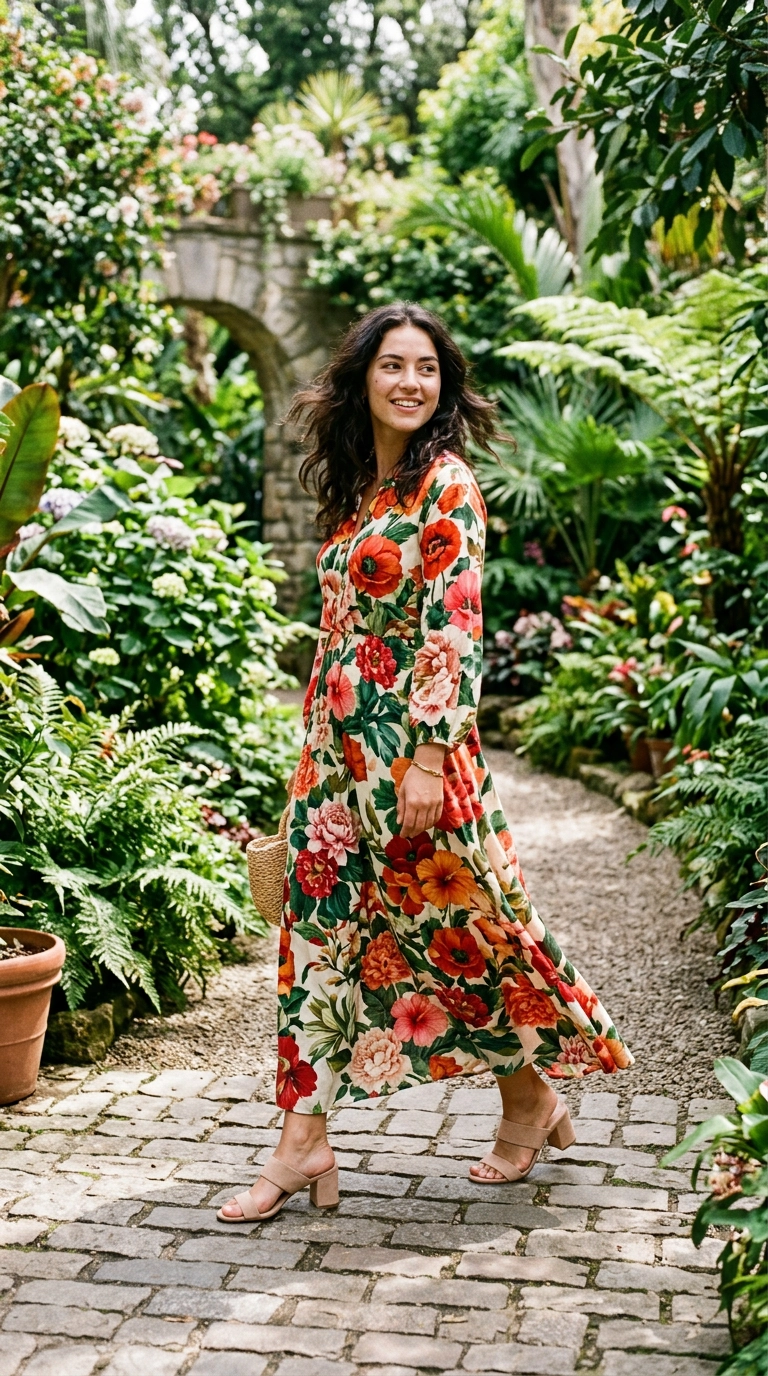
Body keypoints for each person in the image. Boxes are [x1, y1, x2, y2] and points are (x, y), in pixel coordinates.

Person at [218, 302, 632, 1223]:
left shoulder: (446, 486)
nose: (411, 382)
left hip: (413, 756)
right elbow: (337, 635)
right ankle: (304, 1136)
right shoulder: (362, 488)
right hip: (334, 766)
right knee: (317, 942)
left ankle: (530, 1099)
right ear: (362, 377)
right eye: (393, 365)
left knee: (463, 930)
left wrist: (430, 756)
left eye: (428, 369)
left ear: (443, 386)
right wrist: (311, 758)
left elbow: (454, 626)